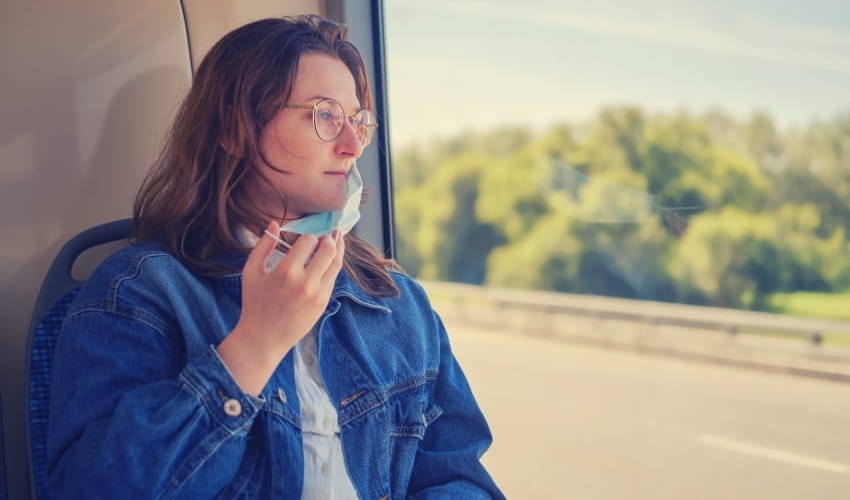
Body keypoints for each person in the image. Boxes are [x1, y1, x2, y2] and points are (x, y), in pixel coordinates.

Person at [46, 14, 505, 500]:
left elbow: (459, 479)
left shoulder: (398, 302)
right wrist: (255, 345)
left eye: (358, 122)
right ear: (234, 127)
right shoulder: (140, 291)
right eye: (324, 116)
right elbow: (94, 488)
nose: (351, 147)